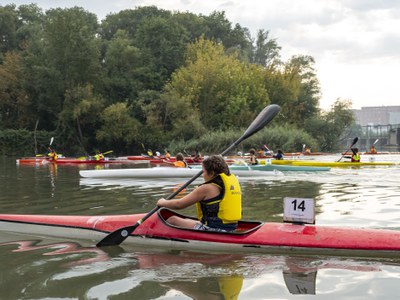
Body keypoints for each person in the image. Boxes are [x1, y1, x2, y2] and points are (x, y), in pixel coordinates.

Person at [157, 155, 242, 231]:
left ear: (211, 173)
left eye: (203, 172)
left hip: (214, 230)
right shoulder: (228, 185)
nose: (202, 175)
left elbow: (179, 204)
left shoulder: (206, 188)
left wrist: (162, 202)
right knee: (187, 220)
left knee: (173, 220)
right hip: (232, 228)